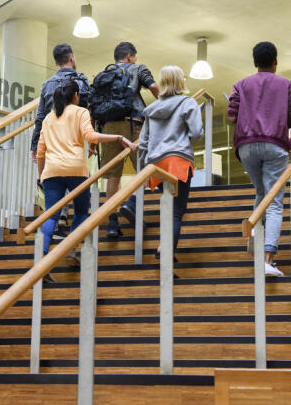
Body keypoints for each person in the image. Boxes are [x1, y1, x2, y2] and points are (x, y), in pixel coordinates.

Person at [37, 80, 136, 281]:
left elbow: (40, 151)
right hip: (76, 170)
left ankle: (43, 261)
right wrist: (118, 137)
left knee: (51, 216)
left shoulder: (48, 117)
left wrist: (40, 176)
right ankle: (71, 250)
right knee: (81, 212)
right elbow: (91, 135)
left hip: (52, 172)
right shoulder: (80, 112)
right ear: (75, 96)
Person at [227, 41, 291, 277]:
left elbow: (231, 117)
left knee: (262, 193)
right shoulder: (288, 86)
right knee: (275, 200)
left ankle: (253, 241)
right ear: (276, 61)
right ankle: (268, 258)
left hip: (246, 146)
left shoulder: (241, 85)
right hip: (275, 145)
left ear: (254, 62)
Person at [137, 65, 203, 267]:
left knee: (168, 207)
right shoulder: (188, 103)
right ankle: (164, 251)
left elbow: (143, 143)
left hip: (156, 165)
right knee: (176, 211)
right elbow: (197, 134)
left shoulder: (152, 109)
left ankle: (163, 246)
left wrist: (142, 172)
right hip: (177, 161)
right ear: (180, 81)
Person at [93, 41, 160, 239]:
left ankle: (112, 223)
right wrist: (167, 103)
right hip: (133, 125)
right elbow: (154, 86)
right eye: (135, 56)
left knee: (113, 176)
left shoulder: (104, 75)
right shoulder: (138, 68)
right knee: (144, 171)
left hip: (108, 128)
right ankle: (131, 204)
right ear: (130, 56)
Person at [30, 44, 91, 237]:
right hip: (74, 142)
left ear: (55, 62)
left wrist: (34, 145)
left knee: (55, 181)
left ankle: (58, 219)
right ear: (71, 58)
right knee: (76, 183)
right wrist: (94, 142)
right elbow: (89, 110)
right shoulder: (81, 81)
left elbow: (40, 117)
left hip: (51, 140)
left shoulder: (47, 84)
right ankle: (72, 225)